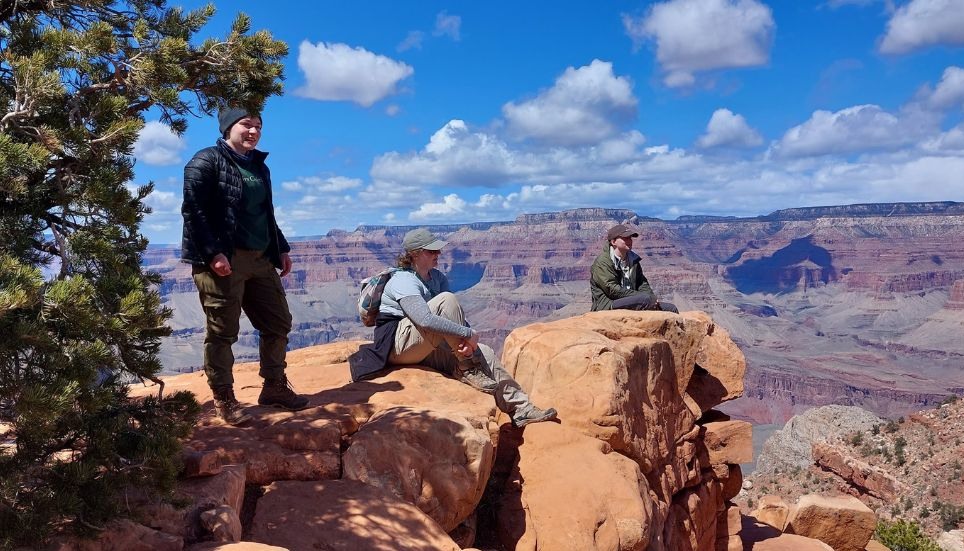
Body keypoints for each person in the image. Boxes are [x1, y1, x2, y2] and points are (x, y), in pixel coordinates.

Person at [348, 229, 558, 428]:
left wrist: (468, 343)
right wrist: (467, 334)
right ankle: (466, 367)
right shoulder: (403, 280)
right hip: (396, 346)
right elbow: (424, 320)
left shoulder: (437, 278)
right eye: (431, 251)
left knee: (483, 351)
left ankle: (521, 409)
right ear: (415, 254)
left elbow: (453, 316)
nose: (438, 253)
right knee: (446, 299)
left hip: (424, 345)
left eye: (437, 249)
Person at [181, 106, 309, 425]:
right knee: (223, 330)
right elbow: (193, 213)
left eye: (258, 126)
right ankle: (224, 398)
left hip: (260, 256)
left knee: (278, 321)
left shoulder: (259, 166)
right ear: (228, 128)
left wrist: (280, 248)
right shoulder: (205, 161)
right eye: (245, 125)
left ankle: (274, 387)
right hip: (223, 258)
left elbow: (266, 212)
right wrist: (213, 254)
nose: (253, 131)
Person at [590, 224, 679, 314]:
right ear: (613, 242)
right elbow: (612, 290)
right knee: (646, 299)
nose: (629, 241)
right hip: (609, 304)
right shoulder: (603, 262)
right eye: (625, 238)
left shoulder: (633, 259)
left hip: (632, 300)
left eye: (630, 238)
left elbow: (641, 283)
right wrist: (643, 297)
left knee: (671, 309)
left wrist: (651, 297)